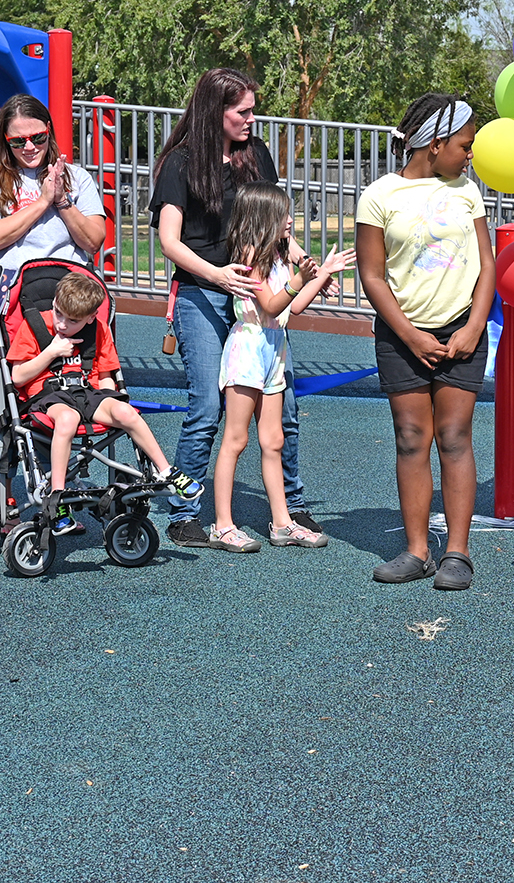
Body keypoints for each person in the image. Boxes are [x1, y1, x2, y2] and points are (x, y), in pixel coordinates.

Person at [152, 68, 318, 548]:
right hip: (204, 290)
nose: (251, 118)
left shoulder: (255, 153)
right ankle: (186, 510)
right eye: (242, 111)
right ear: (213, 111)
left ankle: (290, 507)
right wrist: (217, 274)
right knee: (206, 404)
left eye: (252, 109)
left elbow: (275, 226)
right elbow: (169, 240)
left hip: (256, 293)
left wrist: (304, 264)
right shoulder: (180, 163)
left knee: (283, 407)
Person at [355, 95, 496, 590]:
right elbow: (371, 275)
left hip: (462, 332)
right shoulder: (379, 196)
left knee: (455, 438)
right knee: (411, 439)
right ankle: (417, 551)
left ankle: (457, 552)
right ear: (435, 145)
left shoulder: (467, 192)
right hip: (402, 336)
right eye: (465, 144)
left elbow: (487, 265)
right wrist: (412, 336)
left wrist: (474, 327)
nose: (471, 154)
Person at [204, 184, 354, 552]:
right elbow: (270, 305)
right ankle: (222, 524)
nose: (291, 221)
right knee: (236, 440)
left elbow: (295, 307)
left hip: (274, 349)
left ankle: (283, 522)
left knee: (274, 440)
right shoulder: (250, 254)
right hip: (248, 348)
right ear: (263, 217)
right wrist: (302, 278)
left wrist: (321, 275)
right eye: (284, 214)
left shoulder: (280, 254)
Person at [7, 268, 201, 536]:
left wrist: (112, 403)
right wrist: (51, 351)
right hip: (48, 395)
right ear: (54, 303)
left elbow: (106, 378)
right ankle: (58, 496)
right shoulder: (35, 325)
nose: (62, 323)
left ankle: (165, 471)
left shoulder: (97, 330)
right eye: (58, 313)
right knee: (68, 418)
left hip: (87, 392)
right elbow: (17, 376)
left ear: (89, 318)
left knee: (127, 411)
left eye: (72, 320)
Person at [0, 93, 106, 275]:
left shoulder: (78, 177)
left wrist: (62, 200)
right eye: (18, 141)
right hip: (12, 286)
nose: (29, 148)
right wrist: (43, 202)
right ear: (5, 139)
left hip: (68, 287)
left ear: (48, 129)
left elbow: (94, 242)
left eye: (38, 137)